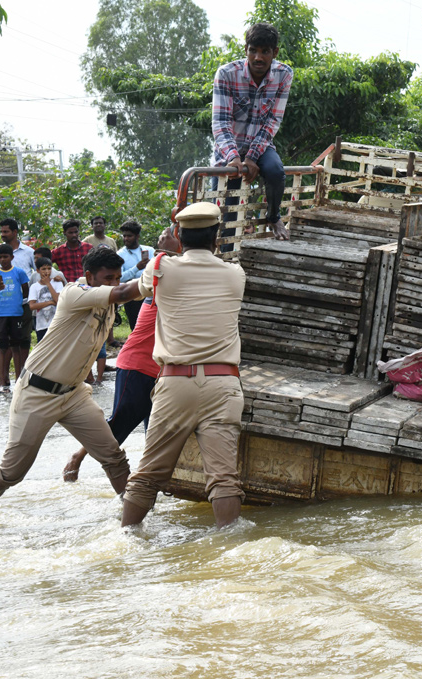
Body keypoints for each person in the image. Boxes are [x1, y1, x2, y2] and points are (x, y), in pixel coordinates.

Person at [0, 248, 143, 519]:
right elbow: (124, 293)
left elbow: (124, 291)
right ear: (89, 276)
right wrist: (159, 272)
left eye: (118, 277)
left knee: (114, 457)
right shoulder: (74, 293)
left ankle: (134, 521)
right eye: (108, 277)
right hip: (37, 391)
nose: (114, 283)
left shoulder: (109, 305)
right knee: (12, 472)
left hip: (74, 394)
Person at [121, 202, 248, 529]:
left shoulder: (161, 267)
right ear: (216, 238)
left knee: (148, 475)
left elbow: (140, 289)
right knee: (224, 479)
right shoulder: (235, 274)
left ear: (178, 234)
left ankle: (126, 539)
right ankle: (230, 546)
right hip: (224, 385)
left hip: (175, 383)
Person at [62, 229, 179, 482]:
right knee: (118, 428)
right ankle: (78, 457)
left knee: (155, 433)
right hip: (136, 366)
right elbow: (162, 267)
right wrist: (169, 251)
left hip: (160, 372)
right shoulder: (160, 291)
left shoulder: (176, 293)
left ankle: (146, 484)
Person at [213, 22, 293, 240]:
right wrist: (234, 157)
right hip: (228, 148)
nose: (258, 57)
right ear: (246, 49)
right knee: (224, 211)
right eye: (253, 50)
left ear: (274, 52)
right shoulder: (227, 74)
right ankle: (222, 255)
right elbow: (220, 122)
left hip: (260, 143)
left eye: (265, 51)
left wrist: (251, 156)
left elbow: (273, 121)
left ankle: (274, 216)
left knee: (276, 172)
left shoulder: (284, 74)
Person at [0, 218, 35, 378]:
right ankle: (3, 379)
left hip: (24, 304)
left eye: (6, 232)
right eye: (1, 232)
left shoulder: (28, 252)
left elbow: (37, 272)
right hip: (3, 306)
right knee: (5, 344)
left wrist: (33, 293)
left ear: (15, 232)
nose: (3, 235)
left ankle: (22, 376)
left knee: (23, 341)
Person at [0, 243, 31, 393]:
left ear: (12, 257)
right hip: (0, 314)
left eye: (5, 256)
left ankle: (18, 380)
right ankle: (2, 382)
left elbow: (26, 291)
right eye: (0, 257)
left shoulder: (19, 272)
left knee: (16, 347)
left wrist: (17, 302)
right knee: (2, 347)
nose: (3, 259)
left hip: (16, 313)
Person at [117, 220, 155, 330]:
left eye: (129, 236)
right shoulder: (120, 254)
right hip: (132, 295)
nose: (126, 239)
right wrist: (136, 268)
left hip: (150, 294)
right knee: (135, 327)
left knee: (151, 326)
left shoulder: (150, 250)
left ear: (137, 236)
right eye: (124, 236)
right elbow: (120, 277)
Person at [28, 257, 63, 342]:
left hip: (56, 324)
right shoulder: (34, 286)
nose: (47, 272)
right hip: (41, 325)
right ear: (38, 270)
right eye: (43, 269)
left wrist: (48, 283)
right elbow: (32, 306)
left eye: (49, 269)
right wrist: (50, 302)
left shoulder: (57, 283)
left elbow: (58, 301)